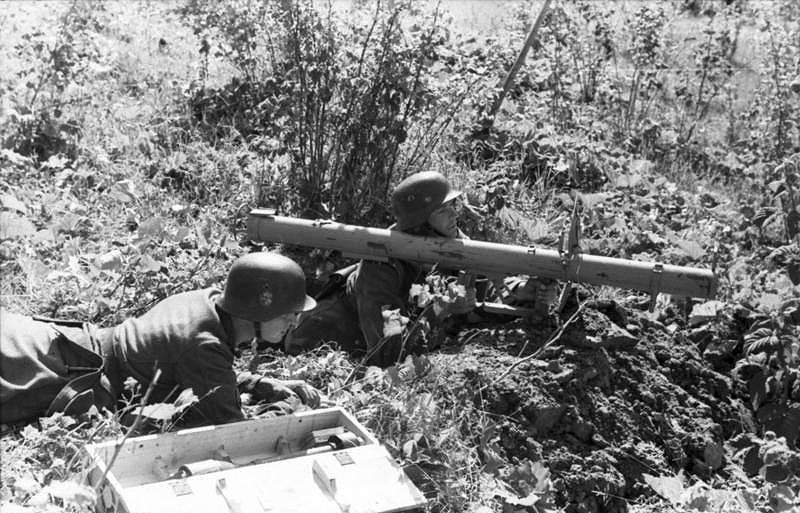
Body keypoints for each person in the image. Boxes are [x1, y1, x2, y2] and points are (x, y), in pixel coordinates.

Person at [0, 252, 321, 428]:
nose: (295, 322)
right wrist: (288, 406)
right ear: (257, 308)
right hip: (68, 373)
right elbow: (235, 430)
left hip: (67, 342)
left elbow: (198, 371)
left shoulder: (206, 301)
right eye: (288, 314)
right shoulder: (204, 344)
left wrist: (257, 383)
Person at [287, 171, 558, 367]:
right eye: (444, 210)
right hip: (323, 343)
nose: (454, 215)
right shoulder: (380, 266)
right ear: (421, 224)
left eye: (455, 206)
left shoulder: (446, 240)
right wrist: (444, 310)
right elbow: (388, 353)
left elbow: (484, 282)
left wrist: (522, 291)